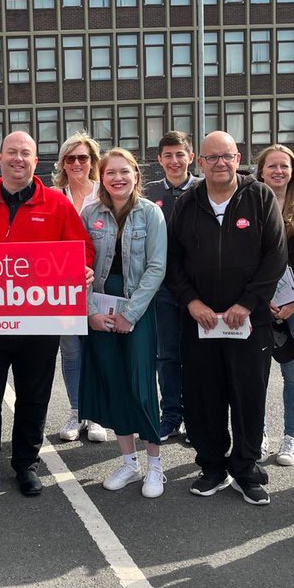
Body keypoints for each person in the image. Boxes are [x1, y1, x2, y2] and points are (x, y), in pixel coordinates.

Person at [0, 132, 95, 500]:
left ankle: (25, 464)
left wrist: (84, 268)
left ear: (35, 160)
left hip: (38, 324)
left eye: (25, 153)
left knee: (33, 396)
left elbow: (83, 251)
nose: (18, 159)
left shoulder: (58, 205)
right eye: (11, 152)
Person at [165, 131, 286, 506]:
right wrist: (192, 302)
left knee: (248, 395)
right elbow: (173, 262)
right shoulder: (187, 203)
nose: (220, 163)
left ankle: (246, 469)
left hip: (248, 322)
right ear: (199, 163)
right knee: (204, 397)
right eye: (212, 157)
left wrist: (247, 304)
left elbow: (275, 256)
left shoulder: (259, 197)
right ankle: (212, 466)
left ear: (238, 159)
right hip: (200, 322)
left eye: (227, 156)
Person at [80, 149, 168, 498]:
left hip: (137, 309)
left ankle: (155, 466)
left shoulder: (151, 215)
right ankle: (129, 462)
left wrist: (129, 314)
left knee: (140, 384)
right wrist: (91, 313)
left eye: (124, 171)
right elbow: (79, 267)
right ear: (101, 178)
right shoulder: (90, 214)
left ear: (135, 174)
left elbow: (156, 267)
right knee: (113, 382)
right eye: (110, 172)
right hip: (100, 308)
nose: (117, 178)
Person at [255, 144, 294, 468]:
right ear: (261, 170)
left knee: (292, 372)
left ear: (293, 171)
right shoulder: (250, 205)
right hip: (258, 304)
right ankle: (259, 434)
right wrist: (259, 299)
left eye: (284, 166)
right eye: (272, 166)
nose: (278, 171)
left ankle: (290, 439)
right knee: (258, 373)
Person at [144, 131, 202, 442]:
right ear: (160, 160)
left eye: (180, 154)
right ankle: (171, 414)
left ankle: (195, 417)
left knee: (196, 356)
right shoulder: (149, 193)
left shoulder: (204, 190)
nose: (174, 160)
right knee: (166, 355)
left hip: (199, 290)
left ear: (191, 157)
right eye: (168, 155)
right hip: (163, 289)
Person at [52, 132, 109, 445]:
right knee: (72, 351)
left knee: (98, 350)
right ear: (62, 162)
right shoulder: (52, 194)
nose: (76, 163)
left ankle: (97, 413)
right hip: (61, 289)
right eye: (70, 158)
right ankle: (77, 410)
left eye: (82, 158)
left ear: (93, 162)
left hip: (98, 285)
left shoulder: (105, 193)